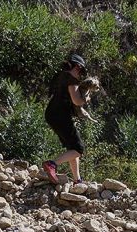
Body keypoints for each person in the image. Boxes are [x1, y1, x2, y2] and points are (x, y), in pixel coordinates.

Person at [43, 54, 89, 184]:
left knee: (71, 148)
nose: (80, 74)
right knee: (79, 149)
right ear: (77, 67)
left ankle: (77, 180)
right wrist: (85, 99)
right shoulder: (71, 79)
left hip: (51, 113)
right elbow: (77, 100)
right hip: (60, 114)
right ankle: (52, 164)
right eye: (80, 70)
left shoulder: (60, 76)